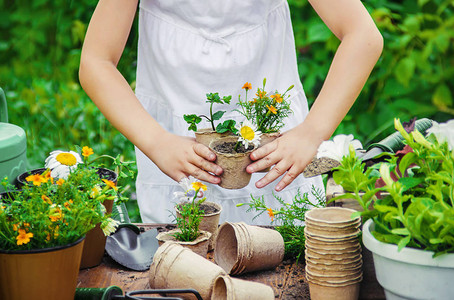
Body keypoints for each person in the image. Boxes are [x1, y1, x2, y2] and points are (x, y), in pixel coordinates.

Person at [79, 0, 383, 224]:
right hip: (176, 159)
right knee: (184, 272)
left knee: (285, 270)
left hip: (275, 159)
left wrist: (311, 133)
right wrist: (156, 142)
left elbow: (363, 36)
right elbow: (96, 61)